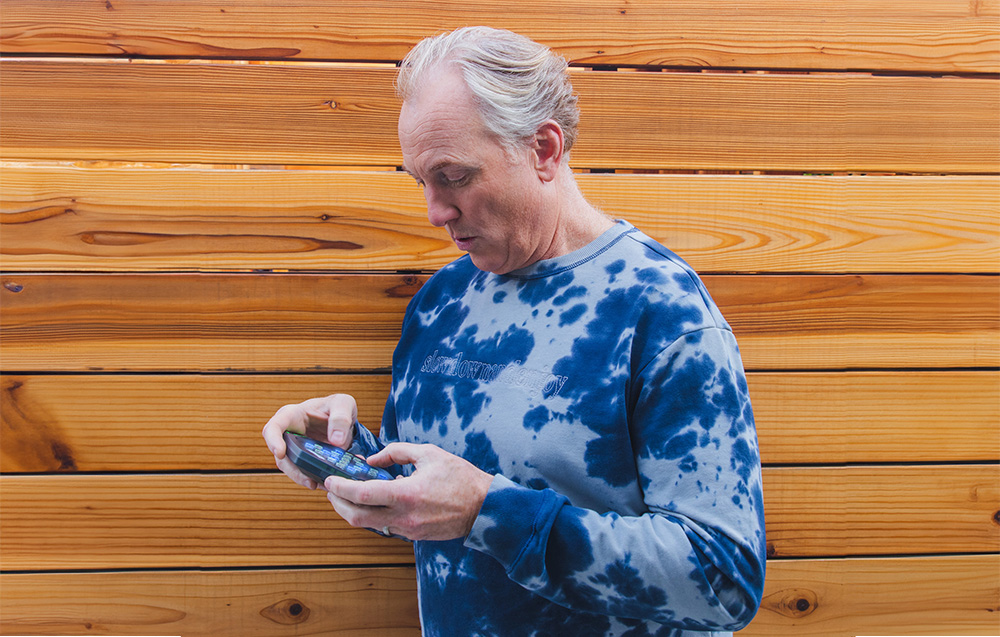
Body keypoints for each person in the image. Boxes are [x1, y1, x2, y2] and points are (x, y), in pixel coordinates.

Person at [263, 26, 766, 636]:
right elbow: (428, 499)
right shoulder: (442, 301)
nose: (434, 212)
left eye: (453, 176)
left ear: (544, 150)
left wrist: (487, 510)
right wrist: (351, 452)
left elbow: (723, 581)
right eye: (420, 180)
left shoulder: (659, 312)